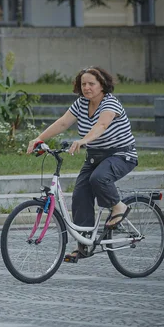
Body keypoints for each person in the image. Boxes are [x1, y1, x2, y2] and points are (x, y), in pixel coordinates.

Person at [26, 66, 138, 262]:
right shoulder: (81, 104)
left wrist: (84, 140)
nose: (86, 87)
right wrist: (38, 138)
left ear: (102, 85)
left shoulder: (110, 104)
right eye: (83, 84)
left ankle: (118, 207)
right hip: (95, 156)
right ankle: (84, 245)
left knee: (99, 178)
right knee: (80, 194)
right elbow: (62, 123)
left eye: (91, 84)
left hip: (121, 154)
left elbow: (101, 125)